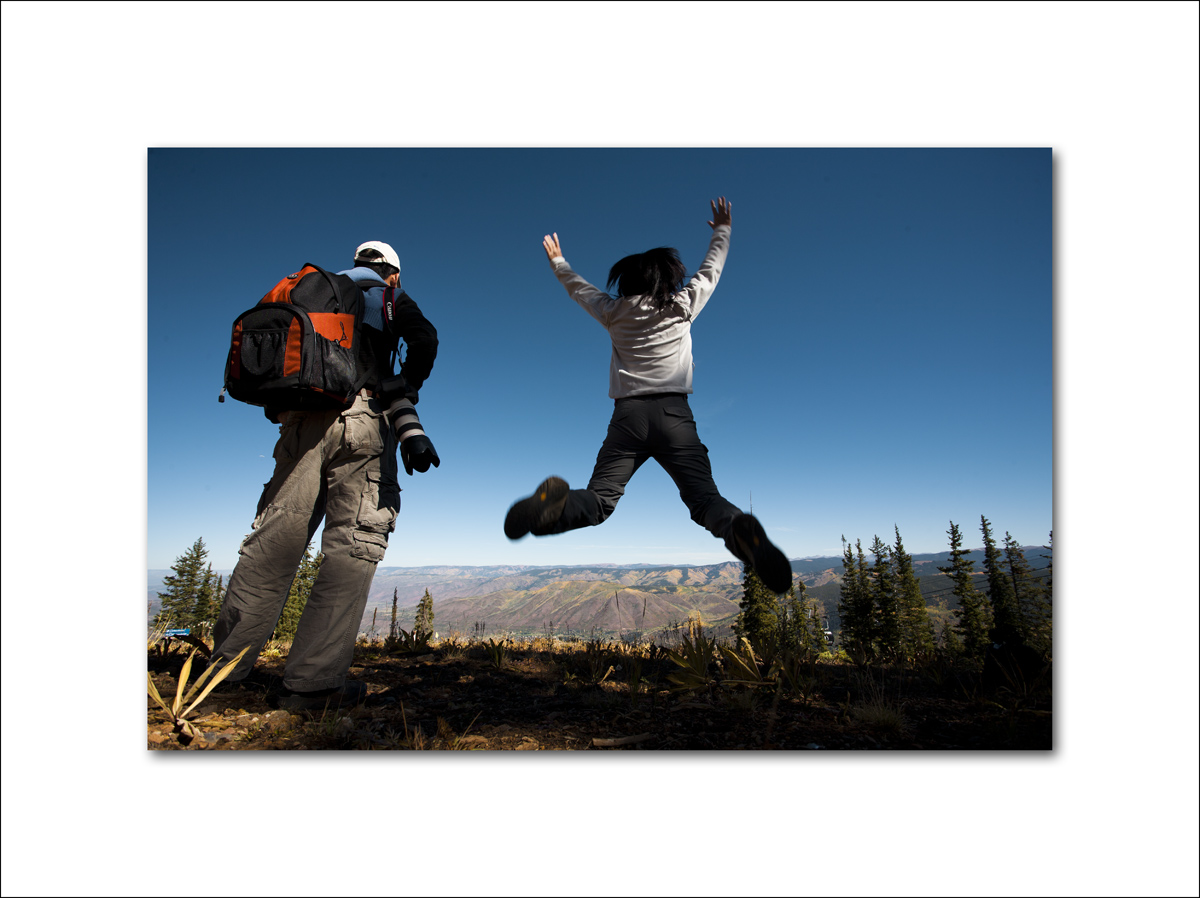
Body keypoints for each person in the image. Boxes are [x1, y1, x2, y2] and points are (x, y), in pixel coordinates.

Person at [504, 198, 792, 594]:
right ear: (668, 279)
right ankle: (739, 530)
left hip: (628, 419)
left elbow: (579, 290)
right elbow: (711, 271)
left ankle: (558, 507)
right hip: (675, 417)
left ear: (625, 283)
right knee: (705, 500)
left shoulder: (613, 311)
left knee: (600, 501)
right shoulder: (681, 306)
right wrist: (721, 230)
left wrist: (558, 262)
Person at [208, 240, 440, 711]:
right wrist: (404, 389)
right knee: (352, 545)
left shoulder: (305, 290)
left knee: (273, 542)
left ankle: (223, 675)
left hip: (300, 422)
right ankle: (312, 685)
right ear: (392, 273)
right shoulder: (387, 296)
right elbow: (426, 339)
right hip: (361, 422)